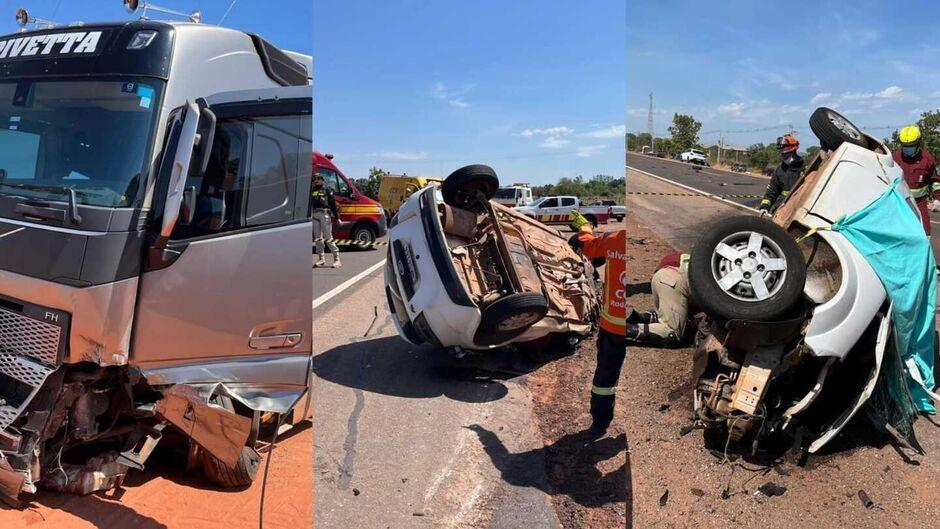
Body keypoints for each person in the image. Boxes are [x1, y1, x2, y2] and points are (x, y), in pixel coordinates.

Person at [569, 211, 625, 435]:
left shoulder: (614, 240)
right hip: (639, 326)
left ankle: (600, 423)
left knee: (605, 376)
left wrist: (585, 226)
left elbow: (587, 245)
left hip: (612, 326)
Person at [626, 251, 691, 347]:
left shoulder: (709, 255)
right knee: (672, 332)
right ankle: (624, 329)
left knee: (679, 314)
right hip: (674, 279)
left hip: (661, 276)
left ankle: (646, 318)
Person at [892, 125, 938, 235]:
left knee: (924, 234)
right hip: (899, 204)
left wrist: (937, 199)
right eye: (905, 145)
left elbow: (935, 181)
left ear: (918, 142)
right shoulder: (895, 158)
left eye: (911, 145)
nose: (907, 148)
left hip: (919, 203)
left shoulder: (927, 159)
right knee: (900, 235)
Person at [758, 134, 803, 213]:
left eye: (785, 153)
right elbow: (771, 191)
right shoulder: (779, 170)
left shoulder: (806, 167)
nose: (783, 156)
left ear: (793, 151)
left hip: (800, 209)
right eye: (781, 153)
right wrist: (764, 207)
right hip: (781, 209)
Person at [311, 173, 342, 268]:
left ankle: (337, 259)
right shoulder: (312, 190)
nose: (316, 180)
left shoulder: (327, 189)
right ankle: (321, 259)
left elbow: (332, 204)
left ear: (322, 180)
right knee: (317, 238)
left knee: (328, 237)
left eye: (318, 178)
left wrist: (337, 217)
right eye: (314, 179)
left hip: (325, 214)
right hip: (314, 215)